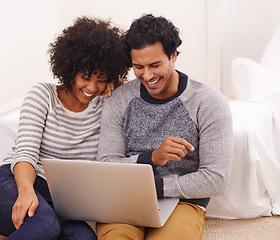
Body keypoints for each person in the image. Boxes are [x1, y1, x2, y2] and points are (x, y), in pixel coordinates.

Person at [0, 17, 128, 240]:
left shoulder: (107, 103)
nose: (91, 88)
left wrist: (117, 83)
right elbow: (25, 151)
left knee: (84, 238)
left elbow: (141, 94)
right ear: (70, 68)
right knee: (45, 224)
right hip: (16, 182)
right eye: (85, 77)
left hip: (61, 200)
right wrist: (25, 191)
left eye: (101, 79)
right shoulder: (43, 95)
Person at [96, 14, 233, 240]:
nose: (147, 75)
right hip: (126, 198)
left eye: (155, 65)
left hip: (184, 203)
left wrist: (154, 188)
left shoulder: (208, 102)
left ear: (173, 55)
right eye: (138, 67)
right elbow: (106, 164)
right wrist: (151, 158)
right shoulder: (119, 100)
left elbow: (215, 179)